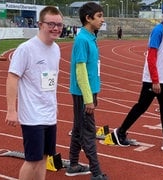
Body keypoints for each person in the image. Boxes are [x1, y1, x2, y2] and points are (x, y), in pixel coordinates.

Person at [111, 0, 163, 155]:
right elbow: (151, 57)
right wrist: (155, 80)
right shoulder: (159, 30)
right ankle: (120, 132)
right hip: (154, 80)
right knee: (141, 107)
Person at [5, 6, 63, 180]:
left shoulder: (56, 49)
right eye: (51, 24)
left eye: (59, 25)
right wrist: (11, 110)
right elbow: (12, 78)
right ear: (40, 24)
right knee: (32, 160)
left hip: (49, 114)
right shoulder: (26, 49)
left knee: (44, 158)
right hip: (32, 115)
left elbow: (51, 81)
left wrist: (55, 105)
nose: (56, 28)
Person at [66, 2, 107, 180]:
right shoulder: (82, 39)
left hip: (90, 92)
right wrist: (88, 98)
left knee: (79, 129)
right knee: (88, 132)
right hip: (84, 94)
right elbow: (80, 71)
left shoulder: (91, 37)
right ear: (88, 18)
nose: (102, 19)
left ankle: (73, 164)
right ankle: (96, 173)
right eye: (99, 16)